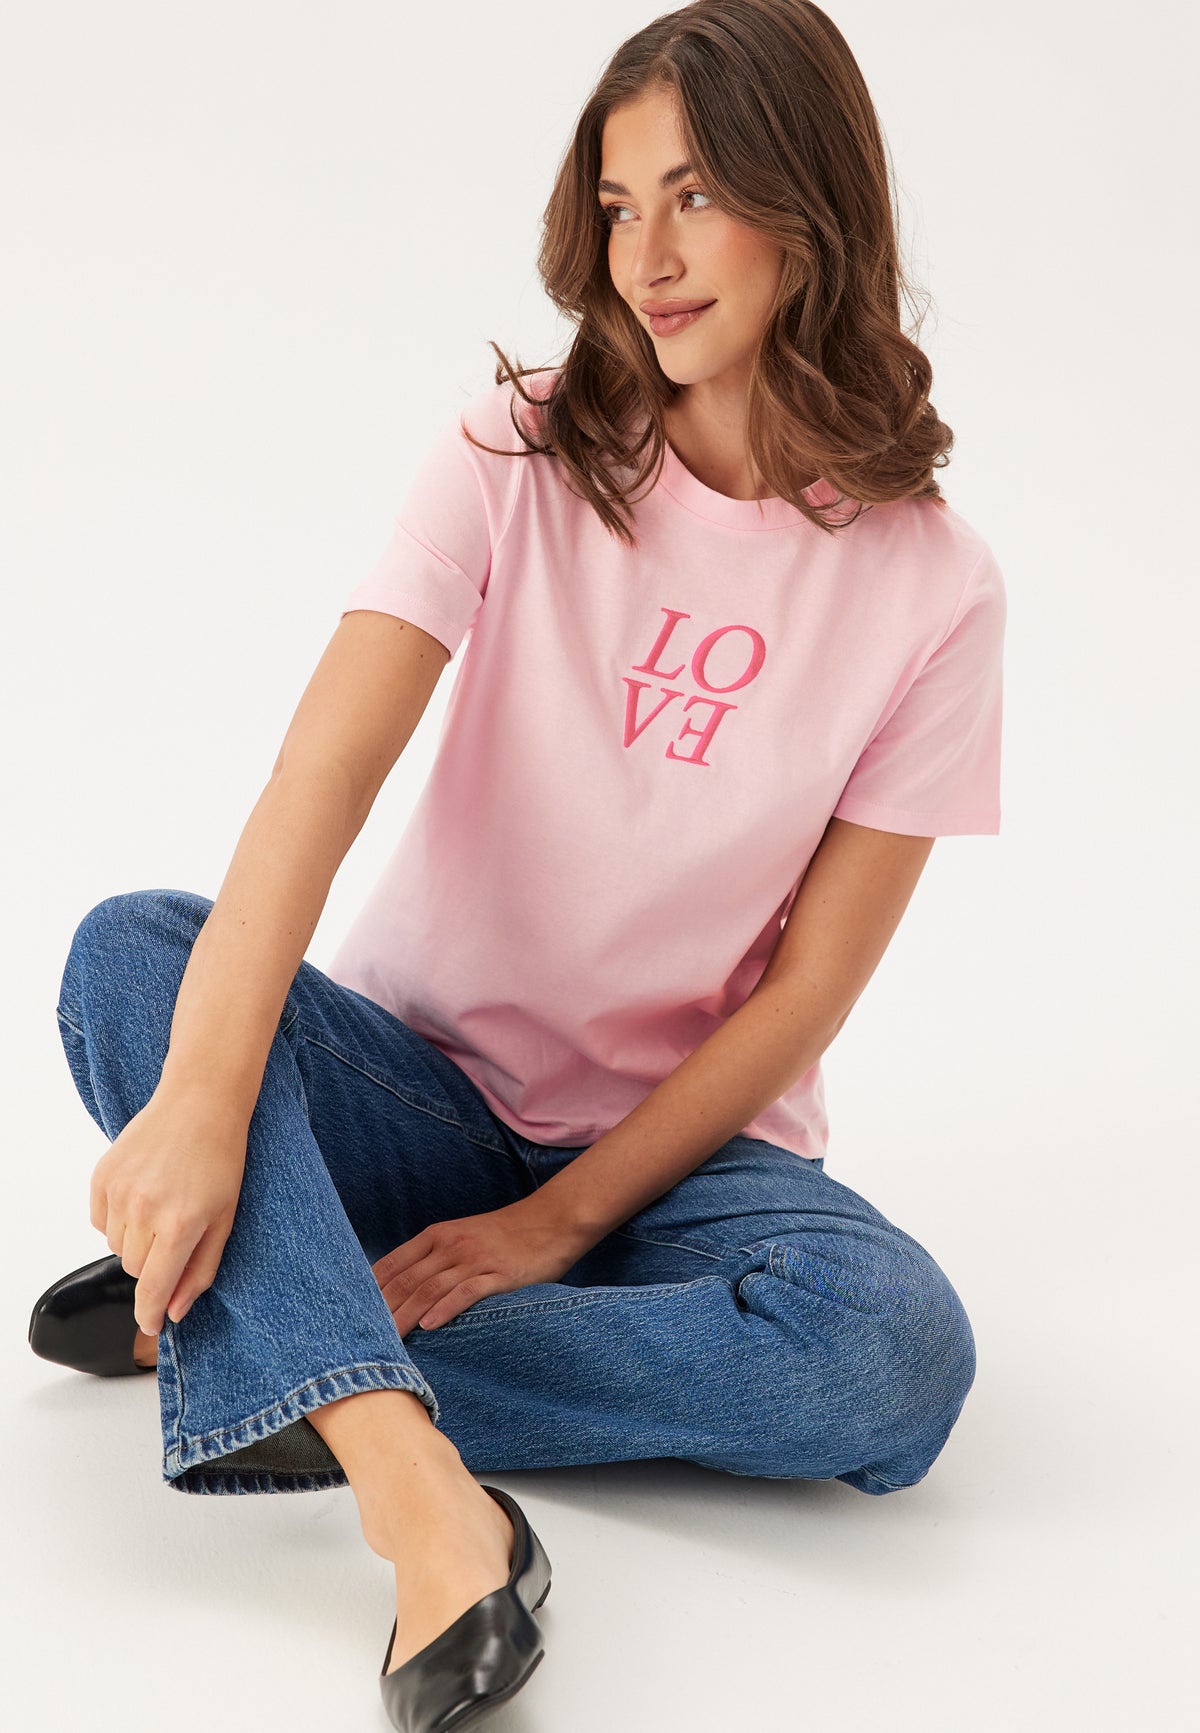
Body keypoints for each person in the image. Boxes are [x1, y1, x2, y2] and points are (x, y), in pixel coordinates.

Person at [27, 3, 1006, 1728]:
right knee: (133, 957)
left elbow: (806, 997)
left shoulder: (936, 590)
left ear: (811, 205)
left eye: (696, 196)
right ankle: (416, 1489)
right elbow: (320, 779)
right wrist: (203, 1098)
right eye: (620, 206)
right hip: (418, 1090)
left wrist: (554, 1223)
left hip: (677, 1160)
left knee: (892, 1348)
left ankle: (262, 1323)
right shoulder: (518, 450)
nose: (649, 256)